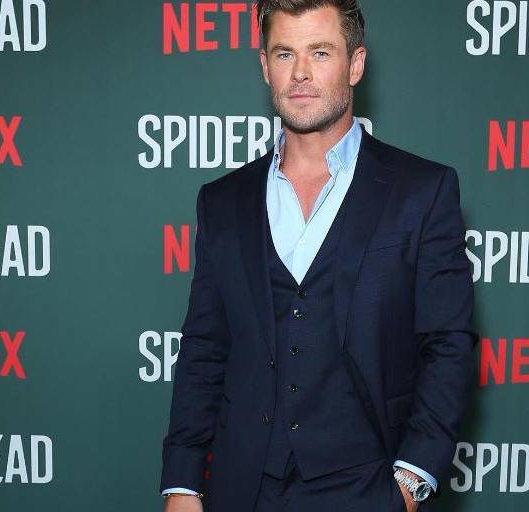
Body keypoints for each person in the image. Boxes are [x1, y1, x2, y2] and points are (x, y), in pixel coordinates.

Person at [159, 1, 477, 510]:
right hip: (242, 488)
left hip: (367, 486)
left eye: (320, 52)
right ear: (265, 66)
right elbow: (204, 349)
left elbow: (448, 345)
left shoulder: (422, 191)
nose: (301, 72)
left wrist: (411, 482)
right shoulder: (223, 201)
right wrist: (182, 483)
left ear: (355, 64)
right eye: (285, 53)